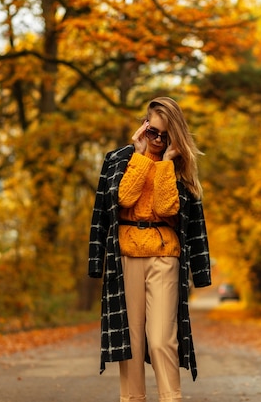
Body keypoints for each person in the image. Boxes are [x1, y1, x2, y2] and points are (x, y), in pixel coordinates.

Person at [88, 96, 212, 402]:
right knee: (131, 344)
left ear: (175, 136)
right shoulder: (117, 159)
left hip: (165, 256)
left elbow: (166, 206)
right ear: (144, 126)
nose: (157, 140)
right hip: (126, 256)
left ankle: (171, 398)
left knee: (161, 341)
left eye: (164, 135)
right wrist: (141, 157)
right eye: (152, 132)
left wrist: (166, 163)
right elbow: (121, 201)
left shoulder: (181, 169)